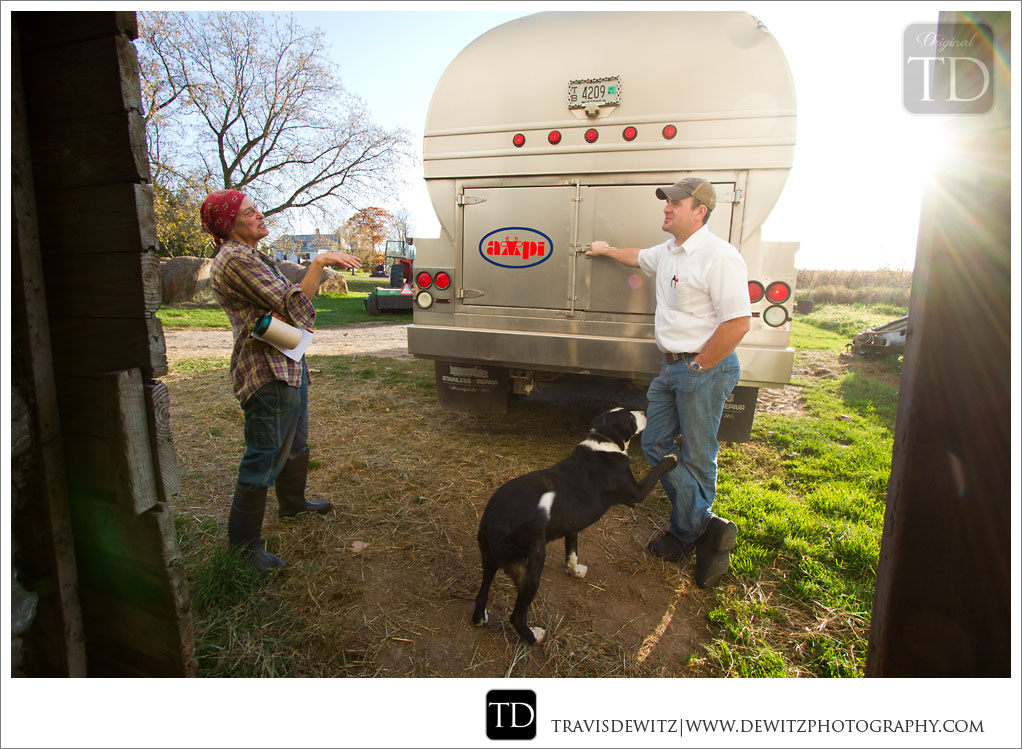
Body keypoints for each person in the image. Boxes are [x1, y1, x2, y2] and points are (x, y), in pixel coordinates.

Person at [587, 177, 751, 588]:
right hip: (671, 368)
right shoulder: (669, 251)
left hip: (703, 366)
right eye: (667, 201)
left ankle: (682, 535)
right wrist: (606, 251)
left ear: (700, 211)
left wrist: (699, 367)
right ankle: (707, 527)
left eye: (676, 202)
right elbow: (637, 256)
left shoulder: (719, 256)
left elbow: (738, 322)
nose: (667, 207)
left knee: (697, 456)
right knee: (655, 443)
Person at [201, 189, 361, 572]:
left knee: (295, 441)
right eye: (249, 211)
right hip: (265, 369)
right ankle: (244, 554)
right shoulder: (236, 259)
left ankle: (293, 504)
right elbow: (295, 306)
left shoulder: (252, 254)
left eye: (256, 208)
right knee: (263, 455)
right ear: (229, 224)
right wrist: (319, 262)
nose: (259, 214)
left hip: (286, 360)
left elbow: (289, 307)